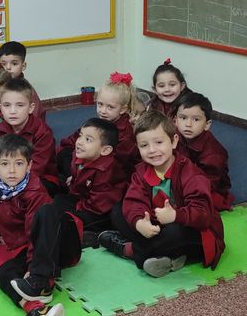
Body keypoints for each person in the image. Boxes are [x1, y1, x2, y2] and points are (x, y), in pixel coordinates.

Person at [0, 135, 82, 316]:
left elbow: (34, 231)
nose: (12, 170)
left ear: (29, 166)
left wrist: (33, 268)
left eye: (19, 164)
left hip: (62, 243)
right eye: (5, 164)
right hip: (37, 252)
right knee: (2, 273)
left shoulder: (34, 191)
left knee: (48, 211)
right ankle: (36, 311)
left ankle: (41, 282)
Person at [98, 111, 225, 277]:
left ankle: (129, 250)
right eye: (144, 145)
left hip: (194, 233)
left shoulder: (192, 175)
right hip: (158, 227)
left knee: (175, 233)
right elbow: (134, 200)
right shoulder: (142, 171)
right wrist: (139, 223)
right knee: (117, 211)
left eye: (159, 142)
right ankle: (167, 258)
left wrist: (175, 216)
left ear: (174, 141)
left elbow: (203, 215)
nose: (152, 150)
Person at [54, 117, 126, 246]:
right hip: (83, 200)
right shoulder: (80, 155)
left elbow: (99, 205)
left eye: (88, 140)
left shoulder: (106, 170)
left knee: (65, 218)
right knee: (58, 200)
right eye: (80, 136)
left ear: (105, 150)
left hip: (100, 213)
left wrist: (77, 208)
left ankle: (94, 235)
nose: (80, 142)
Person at [58, 71, 139, 182]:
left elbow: (115, 165)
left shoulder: (125, 134)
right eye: (100, 104)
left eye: (110, 107)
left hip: (107, 173)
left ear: (123, 109)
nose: (103, 111)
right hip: (88, 159)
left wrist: (82, 163)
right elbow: (73, 139)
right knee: (62, 154)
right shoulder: (99, 122)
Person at [0, 77, 59, 194]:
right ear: (0, 108)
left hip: (40, 178)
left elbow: (37, 168)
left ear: (31, 108)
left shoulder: (43, 132)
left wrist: (12, 186)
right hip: (8, 177)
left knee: (30, 193)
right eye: (7, 105)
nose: (13, 111)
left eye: (20, 105)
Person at [175, 92, 233, 211]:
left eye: (196, 119)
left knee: (197, 205)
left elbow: (208, 184)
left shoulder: (214, 153)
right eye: (183, 118)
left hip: (207, 188)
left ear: (207, 124)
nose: (188, 124)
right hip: (182, 179)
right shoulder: (176, 137)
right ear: (175, 120)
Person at [0, 41, 45, 122]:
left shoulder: (27, 89)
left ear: (23, 66)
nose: (8, 68)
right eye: (3, 64)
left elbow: (37, 115)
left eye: (14, 64)